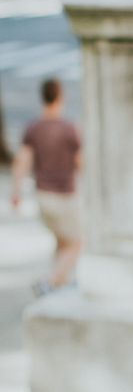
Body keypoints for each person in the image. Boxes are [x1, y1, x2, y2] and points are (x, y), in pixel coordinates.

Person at [11, 78, 82, 291]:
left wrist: (15, 191)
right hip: (64, 196)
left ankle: (59, 281)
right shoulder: (69, 129)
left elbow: (22, 161)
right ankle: (49, 280)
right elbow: (80, 163)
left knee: (62, 241)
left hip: (42, 195)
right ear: (60, 97)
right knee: (78, 242)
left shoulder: (32, 128)